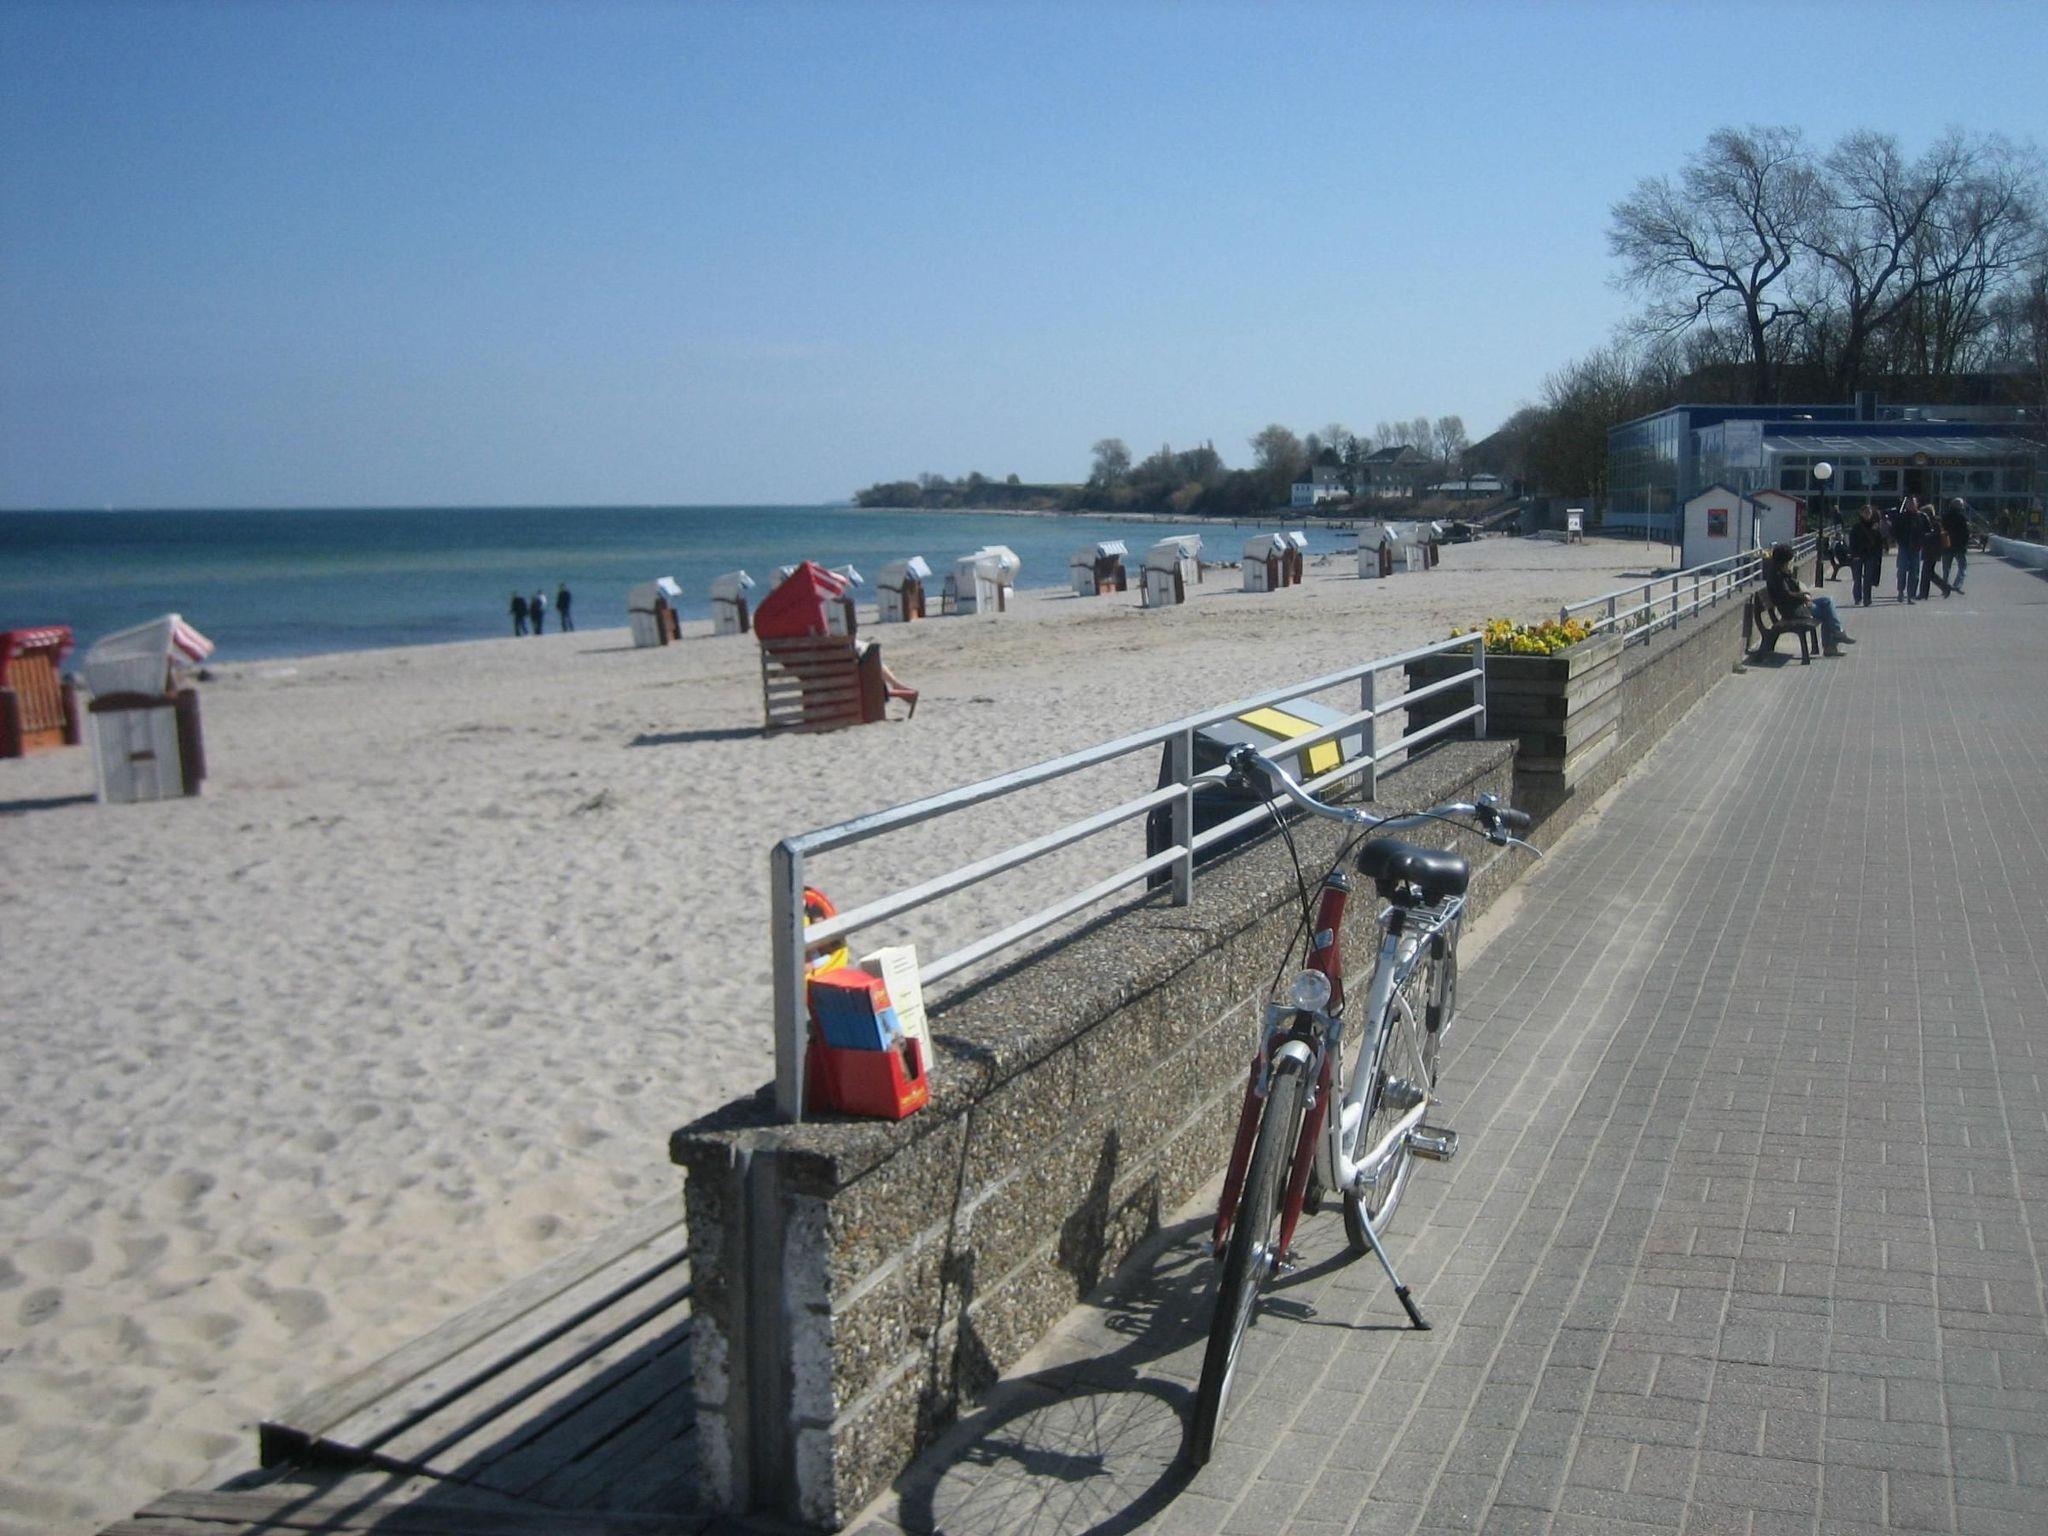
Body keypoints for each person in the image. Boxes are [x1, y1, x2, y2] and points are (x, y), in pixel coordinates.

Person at [1764, 542, 1852, 657]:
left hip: (1797, 606)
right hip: (1793, 611)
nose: (1791, 562)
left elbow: (1794, 587)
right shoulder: (1777, 576)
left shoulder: (1782, 573)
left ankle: (1837, 634)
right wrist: (1803, 597)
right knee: (1827, 612)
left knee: (1827, 601)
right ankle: (1834, 639)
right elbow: (1786, 596)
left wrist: (1803, 594)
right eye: (1789, 561)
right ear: (1784, 561)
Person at [1846, 504, 1885, 608]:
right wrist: (1854, 554)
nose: (1867, 514)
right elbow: (1852, 542)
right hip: (1858, 555)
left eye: (1869, 512)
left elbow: (1879, 542)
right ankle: (1858, 598)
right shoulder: (1856, 527)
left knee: (1868, 578)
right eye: (1865, 512)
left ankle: (1867, 599)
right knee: (1857, 578)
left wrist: (1878, 555)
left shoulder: (1875, 527)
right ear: (1861, 513)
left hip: (1870, 555)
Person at [1916, 500, 1951, 600]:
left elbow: (1935, 536)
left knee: (1928, 572)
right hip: (1931, 550)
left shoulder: (1934, 523)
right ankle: (1924, 593)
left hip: (1932, 550)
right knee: (1928, 572)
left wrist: (1924, 536)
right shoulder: (1933, 522)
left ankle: (1944, 587)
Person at [1890, 496, 1923, 603]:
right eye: (1909, 503)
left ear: (1917, 504)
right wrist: (1899, 540)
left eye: (1913, 503)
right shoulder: (1901, 516)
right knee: (1902, 570)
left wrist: (1922, 541)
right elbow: (1894, 530)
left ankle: (1911, 595)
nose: (1911, 505)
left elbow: (1927, 530)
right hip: (1904, 547)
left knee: (1914, 572)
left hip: (1916, 548)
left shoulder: (1921, 517)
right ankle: (1900, 591)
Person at [1939, 498, 1971, 595]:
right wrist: (1965, 544)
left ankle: (1944, 587)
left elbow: (1941, 530)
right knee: (1963, 566)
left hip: (1946, 545)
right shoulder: (1962, 517)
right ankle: (1957, 585)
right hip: (1959, 547)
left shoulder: (1945, 516)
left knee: (1946, 569)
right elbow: (1966, 532)